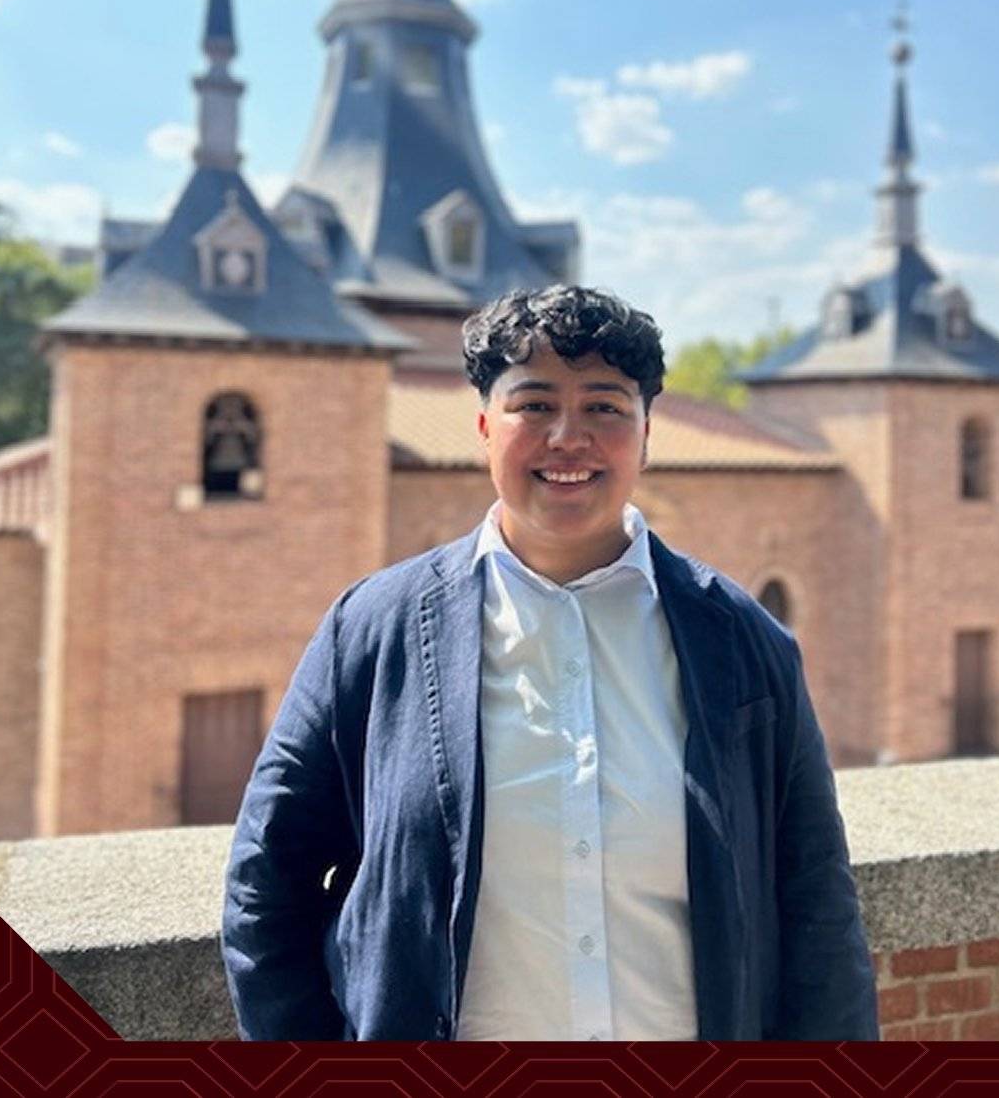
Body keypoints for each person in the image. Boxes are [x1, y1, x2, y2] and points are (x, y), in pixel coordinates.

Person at [222, 285, 877, 1041]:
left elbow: (818, 913)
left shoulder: (748, 646)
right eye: (533, 405)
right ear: (482, 428)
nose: (569, 437)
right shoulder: (371, 632)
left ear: (645, 434)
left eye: (605, 407)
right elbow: (265, 882)